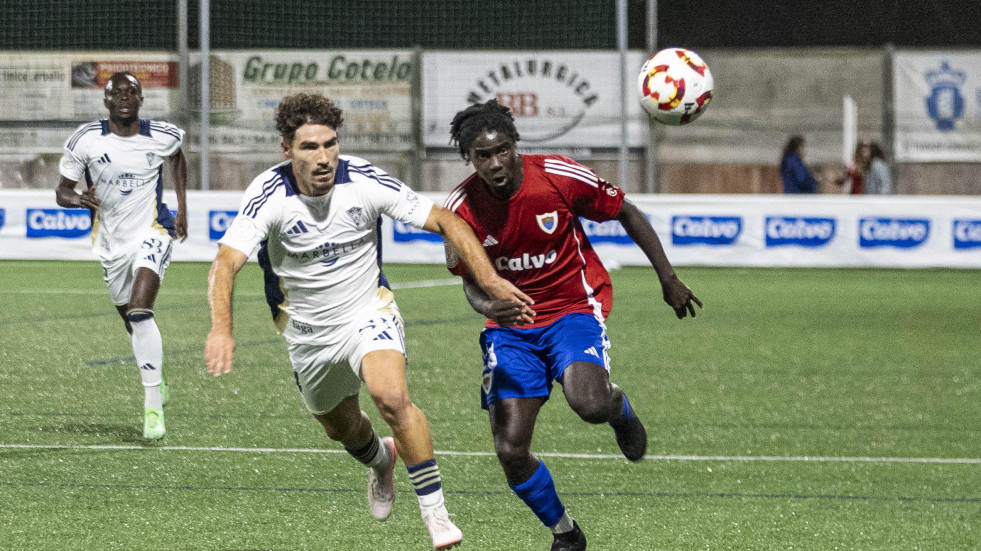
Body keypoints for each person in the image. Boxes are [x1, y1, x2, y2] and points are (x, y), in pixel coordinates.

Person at [204, 92, 531, 550]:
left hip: (367, 310)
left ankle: (437, 515)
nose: (323, 157)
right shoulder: (268, 194)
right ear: (286, 149)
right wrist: (222, 328)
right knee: (341, 429)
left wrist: (491, 280)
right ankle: (382, 461)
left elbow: (447, 221)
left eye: (330, 144)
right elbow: (225, 262)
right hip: (307, 333)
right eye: (309, 147)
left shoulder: (365, 180)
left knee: (391, 396)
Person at [443, 100, 701, 551]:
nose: (495, 163)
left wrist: (668, 278)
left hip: (572, 309)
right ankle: (566, 533)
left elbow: (627, 212)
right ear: (470, 159)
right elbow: (469, 284)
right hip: (510, 329)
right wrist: (490, 305)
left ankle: (617, 408)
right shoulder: (459, 209)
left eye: (502, 150)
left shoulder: (558, 177)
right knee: (510, 451)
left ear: (515, 145)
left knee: (589, 404)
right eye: (482, 156)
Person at [55, 71, 188, 440]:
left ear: (142, 99)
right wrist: (79, 198)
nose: (125, 97)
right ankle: (157, 376)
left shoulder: (164, 135)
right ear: (107, 101)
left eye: (132, 91)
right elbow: (61, 191)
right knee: (129, 316)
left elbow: (177, 159)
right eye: (117, 92)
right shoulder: (85, 140)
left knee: (141, 310)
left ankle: (152, 408)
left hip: (153, 231)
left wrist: (182, 208)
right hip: (111, 242)